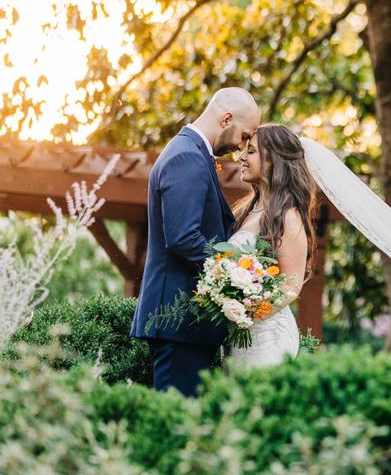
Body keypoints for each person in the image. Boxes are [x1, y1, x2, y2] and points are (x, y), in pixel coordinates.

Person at [130, 87, 260, 397]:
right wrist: (232, 273)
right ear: (226, 118)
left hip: (185, 324)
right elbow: (183, 238)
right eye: (244, 135)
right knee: (176, 425)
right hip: (178, 322)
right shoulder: (187, 156)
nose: (242, 146)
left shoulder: (191, 153)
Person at [226, 123, 320, 368]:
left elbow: (290, 286)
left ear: (273, 160)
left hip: (267, 337)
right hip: (239, 334)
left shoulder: (288, 216)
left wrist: (246, 311)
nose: (241, 157)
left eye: (251, 151)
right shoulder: (249, 209)